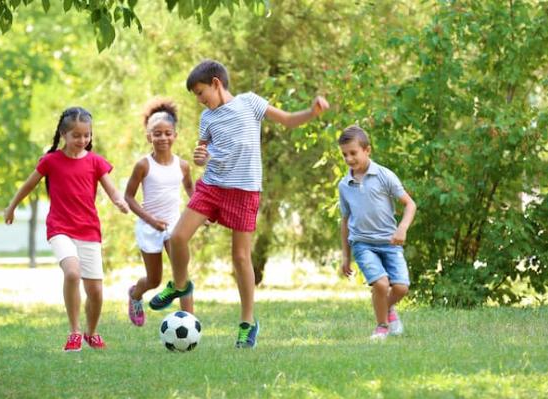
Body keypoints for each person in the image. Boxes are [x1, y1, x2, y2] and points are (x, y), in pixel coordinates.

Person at [149, 59, 329, 349]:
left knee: (241, 258)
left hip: (244, 191)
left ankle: (247, 323)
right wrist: (199, 158)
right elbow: (203, 152)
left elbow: (286, 120)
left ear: (216, 84)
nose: (199, 100)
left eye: (200, 92)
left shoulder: (250, 103)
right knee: (178, 237)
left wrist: (312, 112)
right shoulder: (207, 118)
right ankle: (180, 285)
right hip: (211, 187)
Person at [4, 107, 129, 352]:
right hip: (60, 227)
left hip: (89, 230)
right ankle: (74, 332)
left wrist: (119, 200)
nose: (82, 140)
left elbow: (111, 188)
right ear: (64, 134)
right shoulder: (51, 161)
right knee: (72, 273)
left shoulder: (95, 161)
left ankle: (90, 333)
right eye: (76, 136)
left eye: (87, 135)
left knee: (95, 292)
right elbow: (28, 185)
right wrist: (12, 206)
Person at [337, 125, 416, 340]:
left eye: (353, 153)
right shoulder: (344, 185)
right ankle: (381, 326)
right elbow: (345, 221)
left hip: (390, 242)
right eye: (345, 154)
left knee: (401, 287)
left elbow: (410, 204)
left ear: (367, 150)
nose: (349, 158)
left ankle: (387, 309)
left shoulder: (384, 176)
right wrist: (346, 255)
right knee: (381, 284)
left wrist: (402, 228)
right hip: (362, 243)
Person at [124, 98, 194, 327]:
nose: (162, 138)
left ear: (175, 135)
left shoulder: (182, 166)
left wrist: (200, 215)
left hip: (175, 226)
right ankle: (135, 294)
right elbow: (129, 197)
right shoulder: (143, 165)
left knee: (181, 275)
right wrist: (151, 220)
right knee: (154, 280)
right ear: (148, 136)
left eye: (167, 133)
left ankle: (190, 322)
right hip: (149, 226)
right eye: (157, 134)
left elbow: (192, 191)